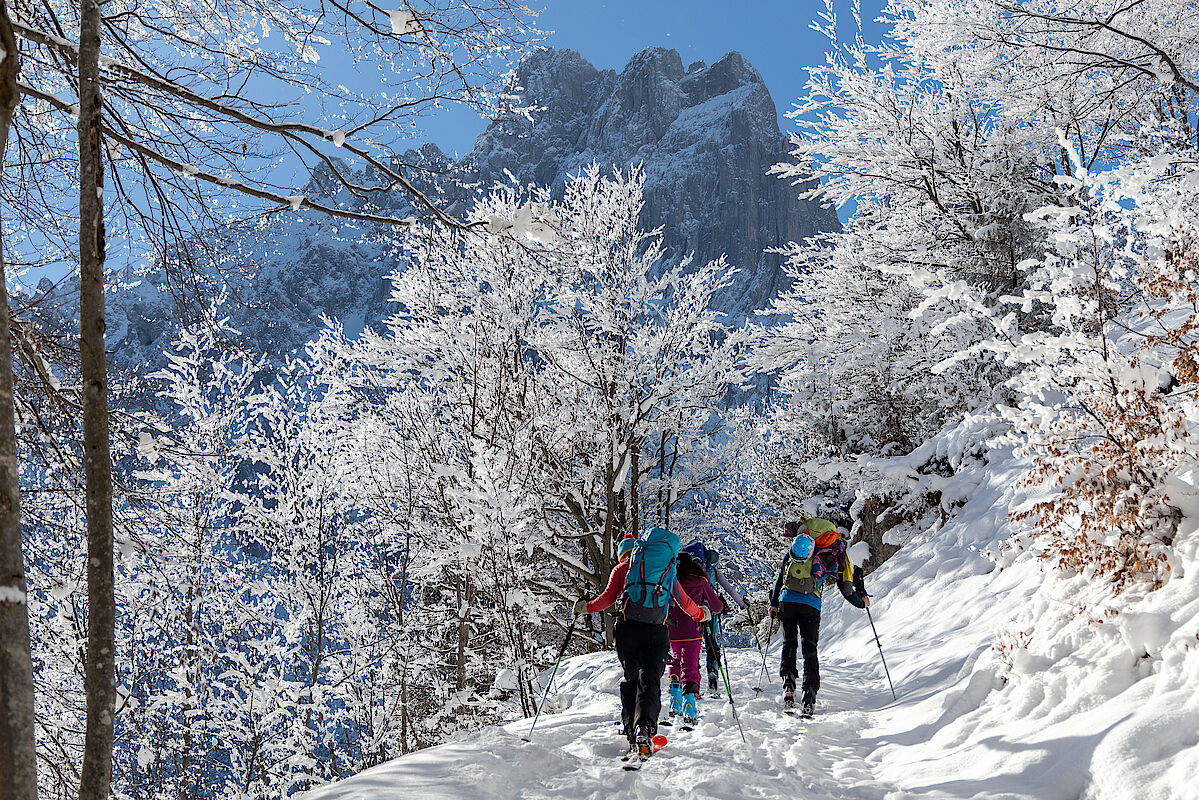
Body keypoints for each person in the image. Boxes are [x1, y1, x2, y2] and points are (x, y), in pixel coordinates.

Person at [575, 531, 709, 752]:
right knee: (650, 679)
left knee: (631, 678)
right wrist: (701, 614)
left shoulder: (623, 569)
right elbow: (684, 602)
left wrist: (584, 608)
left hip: (628, 630)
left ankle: (630, 731)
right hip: (656, 632)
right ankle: (645, 727)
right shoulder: (667, 570)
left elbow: (607, 599)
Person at [768, 518, 870, 717]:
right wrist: (861, 603)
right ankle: (809, 697)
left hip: (786, 601)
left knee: (789, 644)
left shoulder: (800, 544)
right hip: (811, 604)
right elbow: (846, 589)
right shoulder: (834, 550)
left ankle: (788, 688)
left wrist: (773, 603)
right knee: (809, 650)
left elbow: (781, 576)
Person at [667, 552, 725, 724]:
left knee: (676, 661)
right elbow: (716, 606)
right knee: (690, 665)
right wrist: (719, 606)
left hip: (673, 629)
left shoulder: (671, 582)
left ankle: (674, 702)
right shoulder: (700, 582)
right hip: (693, 629)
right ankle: (689, 707)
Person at [681, 540, 747, 693]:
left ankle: (691, 678)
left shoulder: (682, 573)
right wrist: (742, 604)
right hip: (710, 612)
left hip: (689, 614)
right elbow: (729, 589)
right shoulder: (713, 571)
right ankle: (713, 676)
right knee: (711, 643)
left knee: (693, 645)